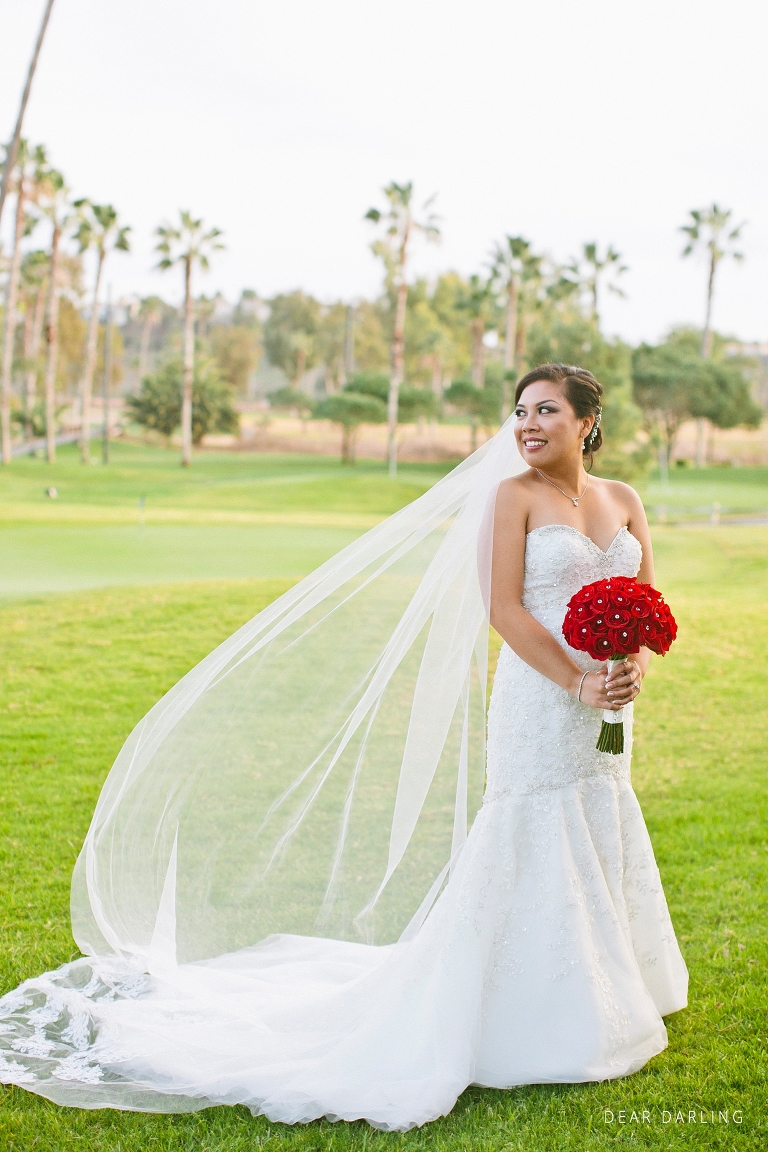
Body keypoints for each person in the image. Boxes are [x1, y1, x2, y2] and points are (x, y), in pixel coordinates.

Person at [0, 364, 687, 1131]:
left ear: (588, 422)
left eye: (547, 411)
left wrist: (630, 669)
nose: (527, 425)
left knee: (599, 809)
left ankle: (617, 979)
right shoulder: (512, 497)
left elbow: (652, 607)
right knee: (532, 825)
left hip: (608, 705)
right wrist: (575, 682)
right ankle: (530, 1008)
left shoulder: (623, 500)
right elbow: (501, 608)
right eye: (519, 411)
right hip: (542, 697)